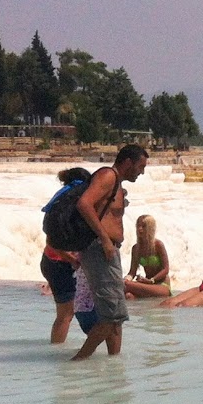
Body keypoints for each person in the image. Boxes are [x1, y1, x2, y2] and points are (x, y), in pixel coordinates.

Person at [70, 145, 149, 361]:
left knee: (116, 314)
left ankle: (114, 363)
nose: (141, 172)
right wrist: (105, 239)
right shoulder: (107, 176)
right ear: (128, 162)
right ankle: (77, 362)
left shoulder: (117, 183)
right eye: (140, 167)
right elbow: (84, 204)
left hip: (108, 250)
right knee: (112, 314)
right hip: (100, 249)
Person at [38, 165, 90, 344]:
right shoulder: (69, 204)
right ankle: (56, 351)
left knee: (67, 312)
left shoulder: (60, 201)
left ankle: (57, 347)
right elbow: (52, 241)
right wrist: (72, 260)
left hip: (52, 262)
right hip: (60, 264)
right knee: (66, 314)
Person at [124, 214, 172, 299]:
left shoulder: (158, 245)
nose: (140, 229)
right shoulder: (136, 248)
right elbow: (132, 272)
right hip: (146, 284)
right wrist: (126, 278)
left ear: (150, 228)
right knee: (128, 295)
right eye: (138, 226)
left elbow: (166, 269)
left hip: (161, 285)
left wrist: (152, 280)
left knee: (127, 285)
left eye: (143, 226)